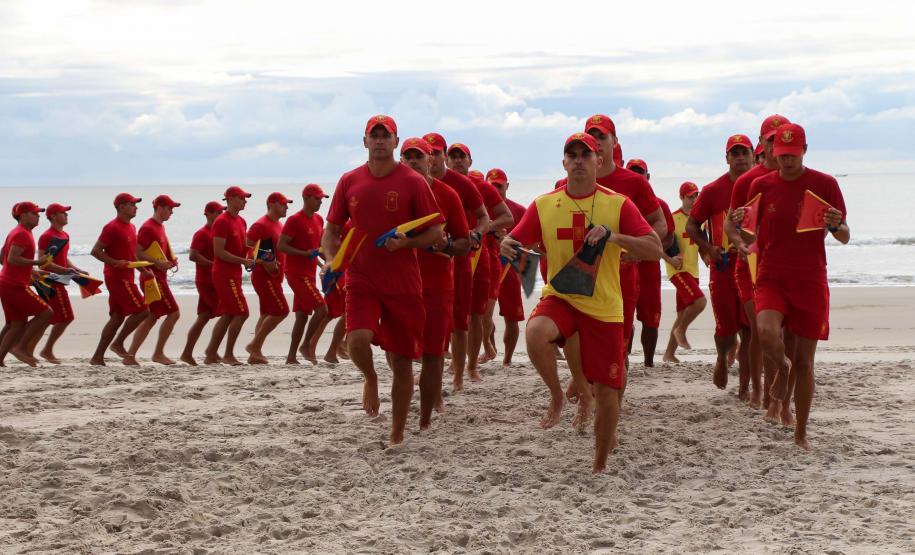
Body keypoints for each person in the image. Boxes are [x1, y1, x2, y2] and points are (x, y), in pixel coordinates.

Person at [501, 133, 661, 473]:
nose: (577, 160)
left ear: (598, 162)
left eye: (585, 155)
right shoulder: (544, 204)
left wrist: (613, 237)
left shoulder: (617, 204)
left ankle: (600, 464)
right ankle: (558, 396)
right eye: (571, 155)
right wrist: (508, 245)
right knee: (535, 333)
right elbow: (515, 239)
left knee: (607, 391)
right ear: (563, 163)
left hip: (604, 306)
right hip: (561, 297)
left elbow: (654, 247)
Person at [322, 114, 443, 445]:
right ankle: (370, 378)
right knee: (357, 339)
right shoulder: (349, 181)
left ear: (395, 142)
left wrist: (407, 242)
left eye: (384, 135)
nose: (378, 141)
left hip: (403, 282)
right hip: (362, 277)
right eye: (373, 136)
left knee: (403, 362)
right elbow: (331, 230)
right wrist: (331, 260)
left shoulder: (413, 181)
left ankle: (397, 432)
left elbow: (435, 230)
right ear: (364, 142)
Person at [737, 122, 849, 450]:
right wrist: (737, 229)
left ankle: (800, 432)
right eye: (781, 154)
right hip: (772, 274)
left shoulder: (824, 184)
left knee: (805, 361)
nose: (786, 160)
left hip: (811, 278)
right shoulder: (761, 184)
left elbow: (844, 235)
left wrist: (837, 224)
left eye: (793, 154)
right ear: (772, 151)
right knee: (766, 332)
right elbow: (748, 231)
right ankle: (780, 370)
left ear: (804, 151)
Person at [561, 115, 667, 401]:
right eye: (590, 136)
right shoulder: (565, 182)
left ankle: (610, 407)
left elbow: (659, 225)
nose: (596, 142)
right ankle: (585, 388)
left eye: (602, 137)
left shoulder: (633, 183)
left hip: (620, 278)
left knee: (617, 345)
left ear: (614, 142)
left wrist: (633, 250)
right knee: (578, 341)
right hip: (579, 276)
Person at [400, 137, 470, 428]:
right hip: (401, 283)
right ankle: (399, 398)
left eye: (420, 156)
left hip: (438, 284)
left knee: (434, 352)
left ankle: (429, 410)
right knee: (398, 351)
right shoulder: (394, 192)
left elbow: (465, 242)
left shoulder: (449, 194)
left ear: (431, 161)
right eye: (408, 156)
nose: (414, 161)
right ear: (401, 160)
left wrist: (447, 245)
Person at [724, 114, 791, 411]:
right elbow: (731, 224)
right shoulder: (748, 181)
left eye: (782, 138)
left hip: (785, 265)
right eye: (771, 139)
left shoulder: (801, 178)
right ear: (762, 142)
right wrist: (739, 244)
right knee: (756, 330)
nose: (776, 144)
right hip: (750, 264)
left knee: (783, 333)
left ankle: (778, 396)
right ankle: (756, 388)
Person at [685, 134, 754, 396]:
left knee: (750, 329)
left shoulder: (762, 185)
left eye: (744, 152)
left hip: (752, 263)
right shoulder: (714, 190)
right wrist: (708, 247)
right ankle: (722, 357)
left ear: (752, 154)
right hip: (724, 264)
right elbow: (692, 225)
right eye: (734, 153)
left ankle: (746, 388)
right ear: (727, 158)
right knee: (725, 330)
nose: (740, 158)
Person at [423, 132, 489, 391]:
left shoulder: (459, 185)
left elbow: (485, 217)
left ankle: (460, 374)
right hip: (424, 261)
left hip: (459, 258)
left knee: (461, 320)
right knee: (433, 321)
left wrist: (475, 234)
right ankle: (432, 372)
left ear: (443, 156)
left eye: (437, 152)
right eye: (427, 153)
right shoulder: (412, 183)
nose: (432, 158)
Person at [447, 143, 513, 387]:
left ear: (470, 161)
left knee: (476, 313)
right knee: (452, 313)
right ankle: (456, 363)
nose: (457, 161)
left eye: (461, 157)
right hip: (448, 254)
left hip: (478, 254)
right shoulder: (439, 185)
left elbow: (507, 217)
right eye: (452, 157)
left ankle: (472, 366)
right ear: (445, 160)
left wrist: (481, 230)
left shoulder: (482, 187)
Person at [89, 193, 151, 366]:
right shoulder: (112, 227)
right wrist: (115, 263)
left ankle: (97, 358)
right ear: (121, 207)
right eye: (132, 204)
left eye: (135, 204)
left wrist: (143, 270)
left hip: (127, 275)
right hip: (116, 277)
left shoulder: (131, 227)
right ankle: (117, 343)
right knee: (143, 310)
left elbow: (131, 255)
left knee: (117, 318)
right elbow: (95, 251)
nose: (136, 207)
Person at [626, 158, 675, 367]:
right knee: (622, 315)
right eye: (632, 172)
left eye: (641, 172)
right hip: (623, 263)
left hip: (649, 268)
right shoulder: (621, 201)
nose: (637, 176)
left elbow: (670, 237)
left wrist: (649, 250)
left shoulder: (659, 204)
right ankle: (622, 357)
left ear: (648, 176)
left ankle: (648, 363)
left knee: (650, 317)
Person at [204, 186, 255, 366]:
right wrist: (243, 260)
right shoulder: (222, 221)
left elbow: (243, 246)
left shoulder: (241, 221)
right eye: (242, 198)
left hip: (235, 273)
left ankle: (211, 352)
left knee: (228, 314)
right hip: (224, 273)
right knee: (242, 313)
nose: (245, 201)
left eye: (245, 198)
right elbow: (218, 252)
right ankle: (227, 354)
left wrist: (255, 254)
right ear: (231, 199)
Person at [128, 195, 181, 365]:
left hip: (158, 276)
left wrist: (168, 261)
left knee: (151, 316)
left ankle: (130, 355)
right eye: (169, 208)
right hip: (152, 277)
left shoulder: (160, 227)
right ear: (159, 208)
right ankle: (158, 353)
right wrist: (158, 263)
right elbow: (137, 252)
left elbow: (154, 252)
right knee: (173, 313)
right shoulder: (148, 227)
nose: (172, 212)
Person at [278, 184, 328, 365]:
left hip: (310, 273)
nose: (320, 202)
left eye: (321, 199)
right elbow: (281, 246)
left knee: (301, 316)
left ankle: (291, 357)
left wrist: (329, 262)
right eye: (317, 199)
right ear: (306, 198)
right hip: (296, 273)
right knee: (322, 309)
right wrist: (304, 253)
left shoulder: (319, 219)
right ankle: (306, 345)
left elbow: (319, 248)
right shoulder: (294, 220)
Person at [0, 202, 53, 367]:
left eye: (38, 213)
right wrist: (37, 262)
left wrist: (30, 271)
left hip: (7, 282)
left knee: (15, 324)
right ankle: (20, 346)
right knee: (46, 313)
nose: (38, 216)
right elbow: (11, 258)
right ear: (22, 216)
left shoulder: (19, 232)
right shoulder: (22, 234)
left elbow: (3, 254)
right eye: (34, 213)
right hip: (14, 285)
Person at [33, 203, 84, 364]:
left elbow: (63, 258)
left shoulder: (65, 235)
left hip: (61, 280)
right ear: (53, 216)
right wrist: (65, 271)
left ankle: (31, 349)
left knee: (51, 318)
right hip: (51, 281)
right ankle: (45, 350)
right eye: (63, 213)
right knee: (65, 317)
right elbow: (43, 264)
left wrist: (77, 269)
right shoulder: (47, 236)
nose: (66, 215)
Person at [662, 182, 707, 363]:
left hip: (694, 271)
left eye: (696, 195)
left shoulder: (700, 221)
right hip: (677, 270)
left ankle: (668, 354)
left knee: (682, 313)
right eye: (690, 196)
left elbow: (703, 244)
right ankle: (681, 330)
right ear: (681, 197)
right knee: (699, 302)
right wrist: (669, 259)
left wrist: (706, 257)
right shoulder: (672, 218)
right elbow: (662, 244)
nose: (694, 200)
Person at [245, 192, 292, 365]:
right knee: (281, 311)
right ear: (272, 204)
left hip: (275, 276)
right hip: (264, 276)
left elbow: (272, 248)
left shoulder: (278, 224)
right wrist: (265, 261)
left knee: (266, 313)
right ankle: (254, 345)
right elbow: (248, 247)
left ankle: (255, 354)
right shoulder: (261, 224)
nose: (286, 206)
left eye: (287, 204)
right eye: (283, 203)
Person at [487, 168, 527, 367]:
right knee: (484, 314)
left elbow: (534, 240)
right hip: (485, 268)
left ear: (507, 186)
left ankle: (507, 360)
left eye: (499, 186)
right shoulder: (479, 209)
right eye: (491, 185)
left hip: (509, 270)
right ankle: (490, 353)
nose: (495, 189)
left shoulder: (518, 211)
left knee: (512, 317)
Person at [180, 201, 224, 366]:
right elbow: (193, 255)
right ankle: (211, 352)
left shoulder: (218, 233)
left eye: (222, 213)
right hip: (206, 281)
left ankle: (187, 353)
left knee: (204, 317)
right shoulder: (202, 233)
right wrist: (214, 265)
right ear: (209, 213)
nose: (221, 216)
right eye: (218, 213)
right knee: (227, 314)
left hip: (213, 280)